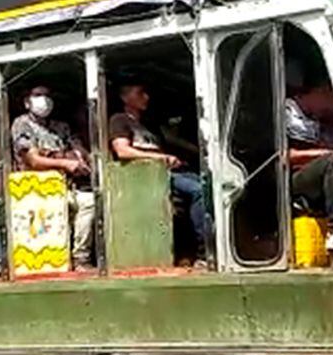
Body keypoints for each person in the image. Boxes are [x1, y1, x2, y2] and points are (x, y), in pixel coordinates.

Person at [108, 80, 208, 265]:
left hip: (165, 173)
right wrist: (161, 159)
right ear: (125, 97)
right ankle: (205, 252)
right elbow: (122, 151)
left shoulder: (148, 126)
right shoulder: (119, 120)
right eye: (140, 92)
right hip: (145, 179)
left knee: (208, 184)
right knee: (197, 190)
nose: (146, 97)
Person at [11, 86, 97, 271]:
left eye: (48, 95)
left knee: (89, 202)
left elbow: (77, 152)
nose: (44, 100)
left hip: (65, 185)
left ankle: (81, 258)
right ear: (27, 102)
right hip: (35, 190)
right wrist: (64, 162)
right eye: (38, 95)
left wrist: (79, 158)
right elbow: (32, 160)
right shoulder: (22, 124)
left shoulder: (61, 127)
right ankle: (60, 259)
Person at [285, 82, 333, 256]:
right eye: (330, 101)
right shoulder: (286, 112)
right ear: (320, 91)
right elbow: (285, 155)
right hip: (295, 176)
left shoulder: (327, 120)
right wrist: (325, 153)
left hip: (325, 176)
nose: (332, 108)